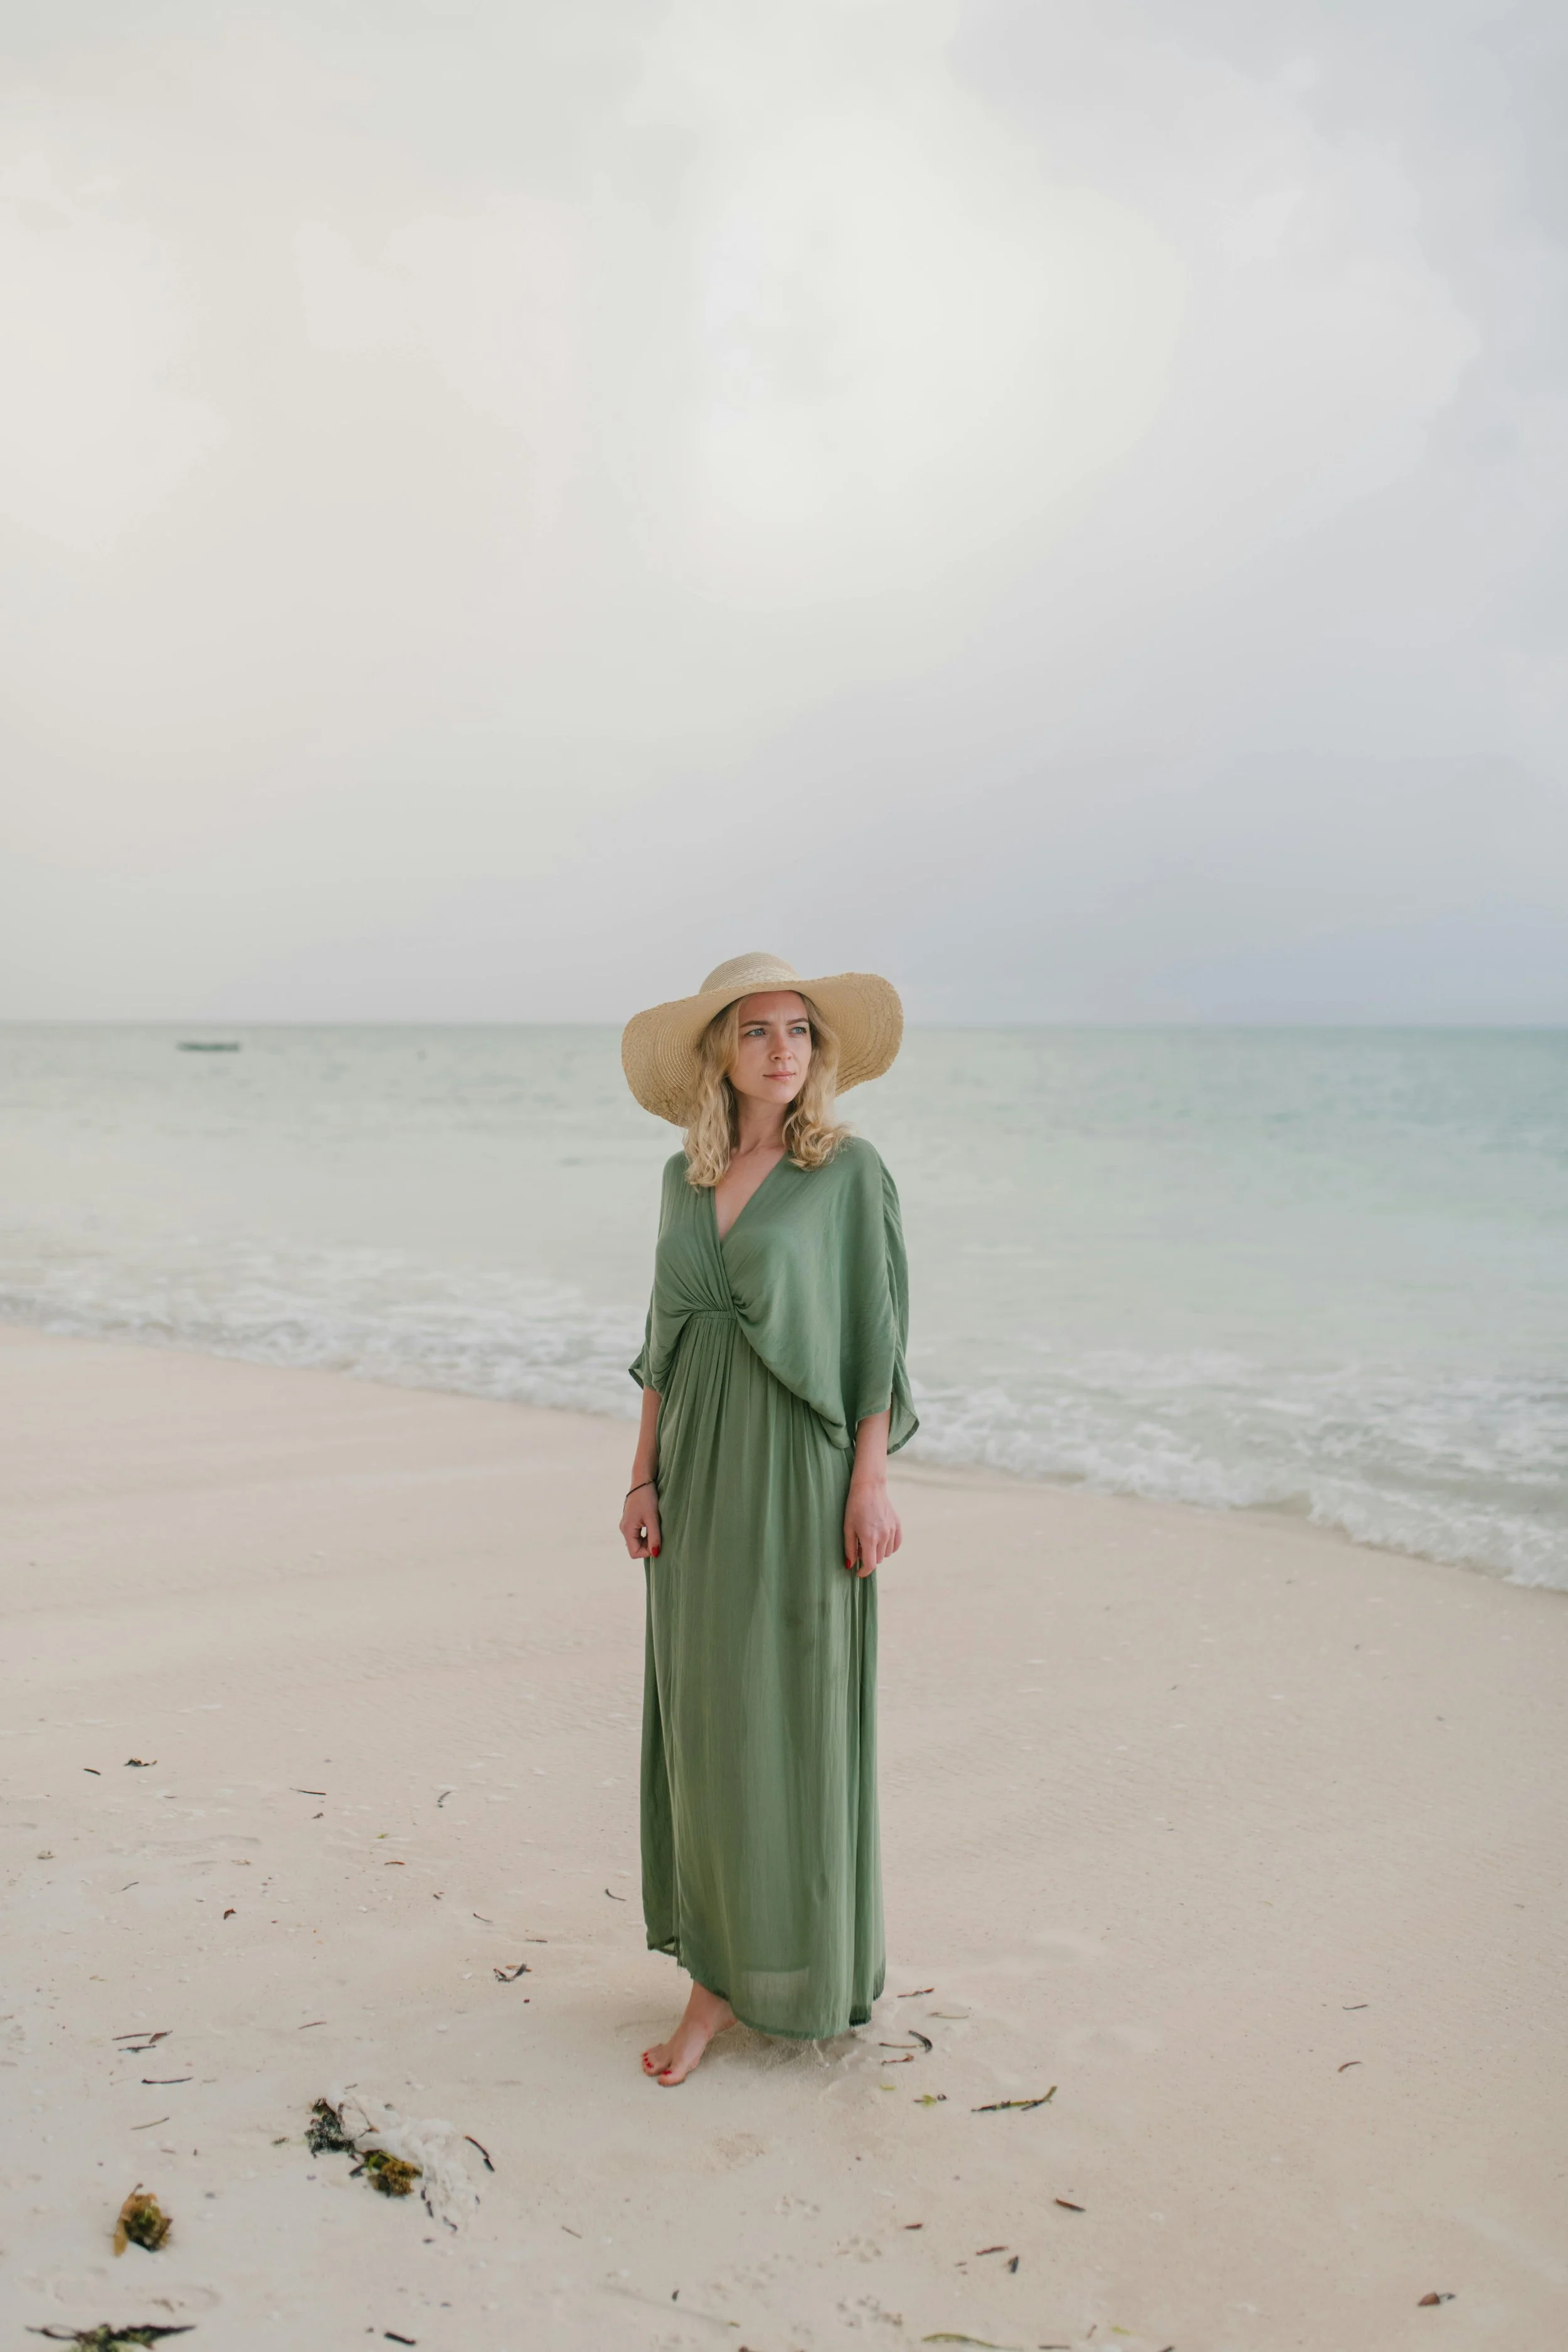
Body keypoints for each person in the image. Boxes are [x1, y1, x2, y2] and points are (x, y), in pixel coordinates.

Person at [618, 953, 917, 2085]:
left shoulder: (849, 1173)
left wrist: (871, 1480)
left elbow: (878, 1340)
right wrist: (641, 1475)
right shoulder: (680, 1178)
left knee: (790, 1714)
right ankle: (717, 1976)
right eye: (756, 1031)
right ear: (721, 1053)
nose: (783, 1047)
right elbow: (664, 1339)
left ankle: (794, 1967)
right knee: (706, 1724)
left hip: (802, 1473)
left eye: (799, 1030)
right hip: (697, 1477)